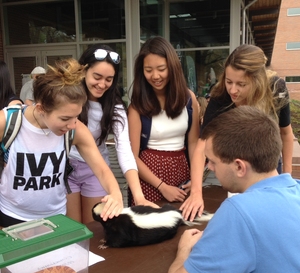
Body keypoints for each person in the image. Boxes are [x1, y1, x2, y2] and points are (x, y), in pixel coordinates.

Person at [168, 106, 300, 273]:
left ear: (239, 166)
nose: (210, 168)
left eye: (212, 161)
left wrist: (184, 250)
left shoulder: (240, 212)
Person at [0, 58, 123, 228]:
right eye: (65, 118)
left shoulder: (76, 130)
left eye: (76, 116)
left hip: (56, 217)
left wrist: (116, 193)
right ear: (41, 108)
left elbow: (101, 169)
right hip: (12, 216)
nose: (73, 125)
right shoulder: (8, 122)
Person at [181, 44, 294, 221]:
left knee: (271, 217)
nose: (233, 90)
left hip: (268, 167)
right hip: (238, 170)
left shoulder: (276, 89)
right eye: (229, 81)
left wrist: (287, 178)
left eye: (241, 84)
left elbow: (286, 135)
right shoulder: (220, 96)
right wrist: (196, 190)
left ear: (258, 80)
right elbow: (202, 145)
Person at [66, 44, 155, 225]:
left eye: (109, 79)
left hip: (96, 171)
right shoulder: (66, 99)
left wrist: (138, 196)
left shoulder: (115, 108)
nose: (102, 84)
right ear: (83, 71)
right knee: (73, 232)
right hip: (65, 171)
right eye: (97, 77)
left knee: (96, 228)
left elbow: (124, 150)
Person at [128, 36, 199, 205]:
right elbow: (131, 156)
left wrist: (196, 182)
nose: (155, 76)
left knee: (184, 225)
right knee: (151, 225)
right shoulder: (136, 107)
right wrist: (162, 186)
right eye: (148, 70)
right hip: (149, 179)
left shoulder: (189, 99)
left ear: (172, 67)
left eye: (161, 68)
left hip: (182, 173)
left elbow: (195, 144)